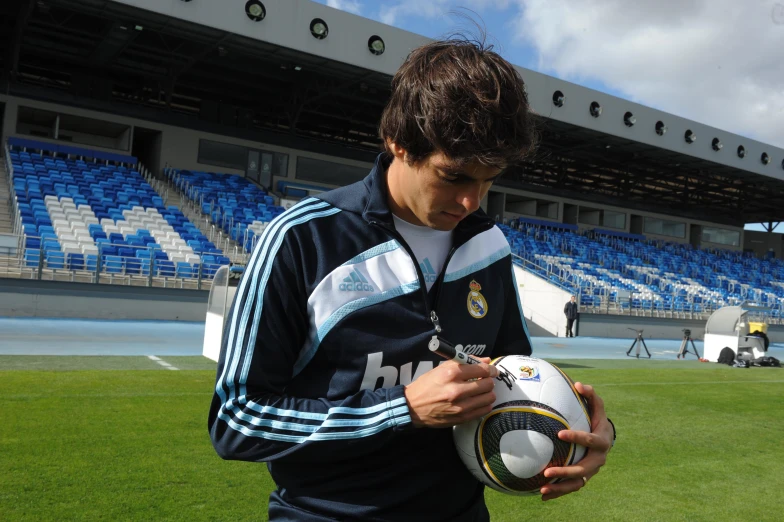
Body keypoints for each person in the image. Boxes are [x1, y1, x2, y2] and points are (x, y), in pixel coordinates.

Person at [208, 35, 614, 522]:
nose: (473, 201)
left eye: (491, 178)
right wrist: (402, 409)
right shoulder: (302, 238)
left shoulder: (489, 245)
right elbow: (237, 419)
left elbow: (512, 379)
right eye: (455, 175)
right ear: (398, 141)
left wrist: (583, 426)